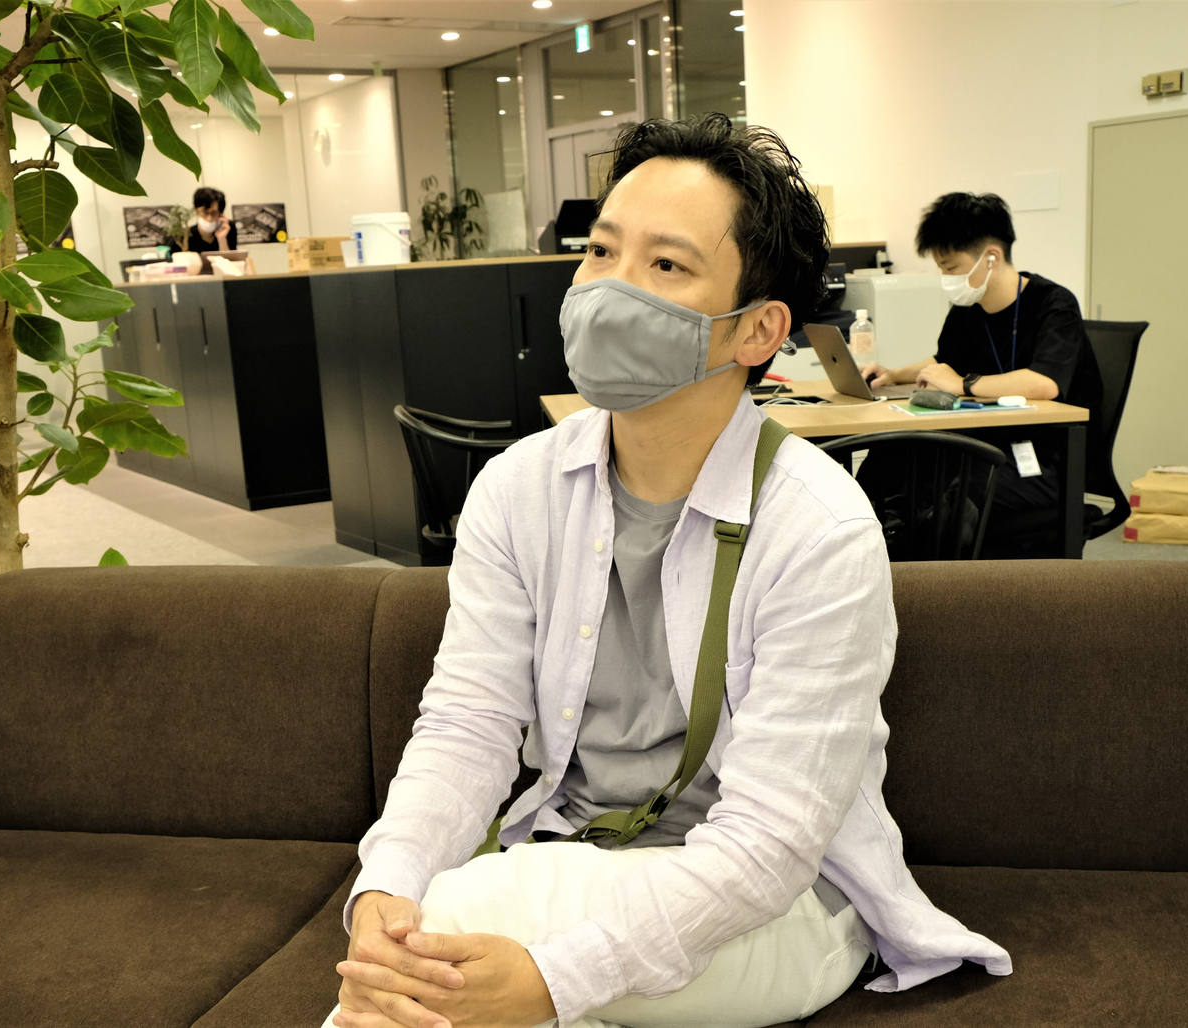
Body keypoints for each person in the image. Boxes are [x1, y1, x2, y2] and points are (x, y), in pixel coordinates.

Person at [328, 116, 1010, 1028]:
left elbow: (766, 849)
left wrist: (551, 978)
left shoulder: (819, 529)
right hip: (575, 851)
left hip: (769, 911)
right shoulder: (519, 489)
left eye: (666, 265)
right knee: (420, 944)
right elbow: (468, 723)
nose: (611, 288)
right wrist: (386, 888)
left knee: (455, 928)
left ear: (758, 330)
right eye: (600, 251)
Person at [859, 192, 1103, 513]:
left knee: (955, 491)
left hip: (1045, 455)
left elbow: (1045, 383)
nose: (946, 279)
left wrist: (963, 384)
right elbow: (945, 362)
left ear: (991, 257)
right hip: (987, 441)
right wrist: (893, 374)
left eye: (951, 267)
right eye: (941, 268)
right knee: (889, 458)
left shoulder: (1054, 305)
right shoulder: (969, 307)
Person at [178, 186, 237, 253]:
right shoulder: (186, 235)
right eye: (205, 212)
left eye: (214, 213)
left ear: (221, 213)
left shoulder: (228, 228)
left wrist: (222, 239)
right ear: (196, 211)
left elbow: (230, 259)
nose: (209, 218)